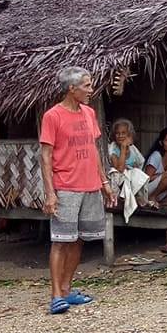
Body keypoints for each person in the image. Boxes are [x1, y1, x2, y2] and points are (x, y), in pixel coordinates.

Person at [40, 67, 117, 315]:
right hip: (66, 187)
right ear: (71, 89)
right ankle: (55, 296)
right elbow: (45, 156)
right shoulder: (53, 116)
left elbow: (94, 150)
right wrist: (50, 193)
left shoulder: (89, 113)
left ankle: (66, 289)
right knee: (60, 241)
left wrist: (104, 183)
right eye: (86, 85)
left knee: (80, 239)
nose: (91, 90)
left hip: (90, 185)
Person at [107, 119, 148, 206]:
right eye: (117, 133)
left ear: (129, 135)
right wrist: (123, 148)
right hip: (119, 182)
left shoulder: (133, 149)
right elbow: (120, 169)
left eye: (123, 133)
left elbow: (140, 164)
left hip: (132, 182)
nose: (120, 136)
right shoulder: (112, 149)